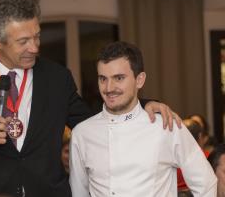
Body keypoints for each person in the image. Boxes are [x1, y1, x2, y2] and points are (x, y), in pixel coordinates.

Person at [0, 0, 180, 197]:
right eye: (23, 41)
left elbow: (92, 122)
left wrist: (142, 104)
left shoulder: (56, 78)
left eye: (37, 36)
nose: (34, 47)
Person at [69, 41, 217, 197]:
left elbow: (206, 183)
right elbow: (79, 193)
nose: (109, 88)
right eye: (103, 79)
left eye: (119, 78)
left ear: (139, 80)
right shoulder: (82, 133)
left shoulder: (166, 126)